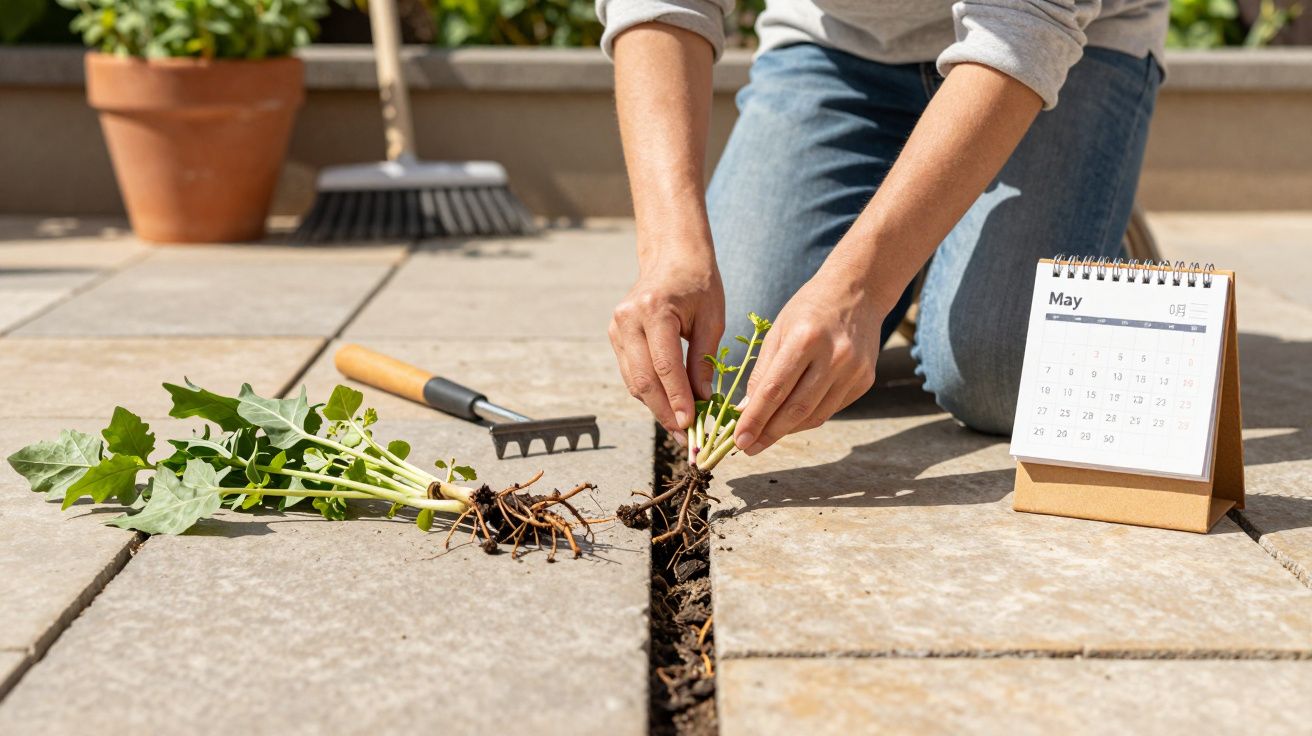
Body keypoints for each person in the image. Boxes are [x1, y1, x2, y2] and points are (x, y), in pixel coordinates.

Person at [600, 0, 1167, 456]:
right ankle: (931, 231)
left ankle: (1072, 212)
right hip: (838, 50)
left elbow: (1022, 20)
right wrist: (671, 249)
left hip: (1064, 48)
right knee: (734, 362)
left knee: (998, 374)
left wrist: (862, 287)